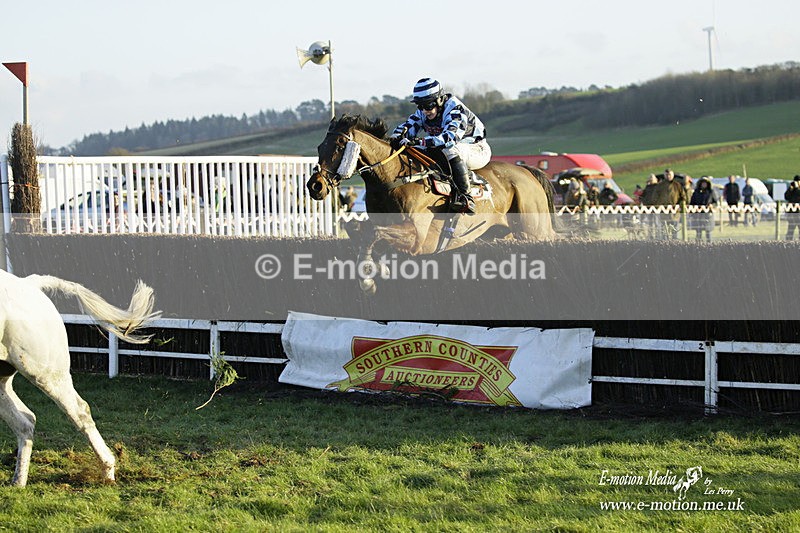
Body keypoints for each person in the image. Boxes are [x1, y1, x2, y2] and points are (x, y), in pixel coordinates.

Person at [389, 78, 490, 214]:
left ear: (440, 100)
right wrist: (395, 137)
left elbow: (449, 138)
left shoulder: (455, 110)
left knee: (450, 149)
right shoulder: (423, 112)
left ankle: (465, 197)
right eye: (420, 106)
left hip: (476, 149)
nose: (424, 111)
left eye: (428, 106)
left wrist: (420, 141)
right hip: (446, 148)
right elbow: (408, 127)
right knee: (414, 149)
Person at [689, 177, 717, 241]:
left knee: (708, 232)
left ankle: (709, 244)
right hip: (698, 215)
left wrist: (712, 205)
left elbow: (715, 203)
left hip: (708, 215)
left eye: (705, 183)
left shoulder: (711, 192)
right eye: (703, 183)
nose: (704, 184)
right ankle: (698, 244)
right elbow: (692, 202)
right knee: (698, 232)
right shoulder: (696, 192)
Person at [784, 175, 800, 240]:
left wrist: (796, 189)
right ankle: (788, 241)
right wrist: (790, 189)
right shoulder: (792, 189)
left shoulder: (797, 190)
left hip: (798, 212)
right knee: (791, 228)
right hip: (792, 213)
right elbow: (786, 197)